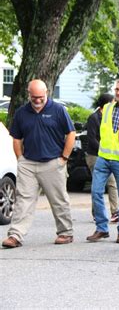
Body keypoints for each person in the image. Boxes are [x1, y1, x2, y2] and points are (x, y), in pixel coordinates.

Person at [2, 79, 75, 248]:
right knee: (23, 200)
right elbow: (16, 138)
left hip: (53, 162)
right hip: (28, 163)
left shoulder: (58, 110)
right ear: (29, 94)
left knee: (59, 199)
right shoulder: (22, 113)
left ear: (46, 93)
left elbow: (70, 133)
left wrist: (64, 158)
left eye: (40, 97)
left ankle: (65, 232)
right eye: (34, 97)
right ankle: (15, 235)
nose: (37, 100)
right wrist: (20, 159)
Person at [86, 78, 119, 244]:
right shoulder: (107, 108)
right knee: (96, 192)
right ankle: (102, 228)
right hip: (103, 158)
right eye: (117, 89)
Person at [85, 93, 119, 223]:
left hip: (110, 155)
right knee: (98, 185)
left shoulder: (111, 116)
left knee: (112, 183)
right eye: (112, 102)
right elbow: (92, 139)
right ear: (105, 104)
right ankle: (97, 213)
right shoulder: (94, 118)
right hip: (95, 155)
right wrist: (104, 150)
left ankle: (115, 211)